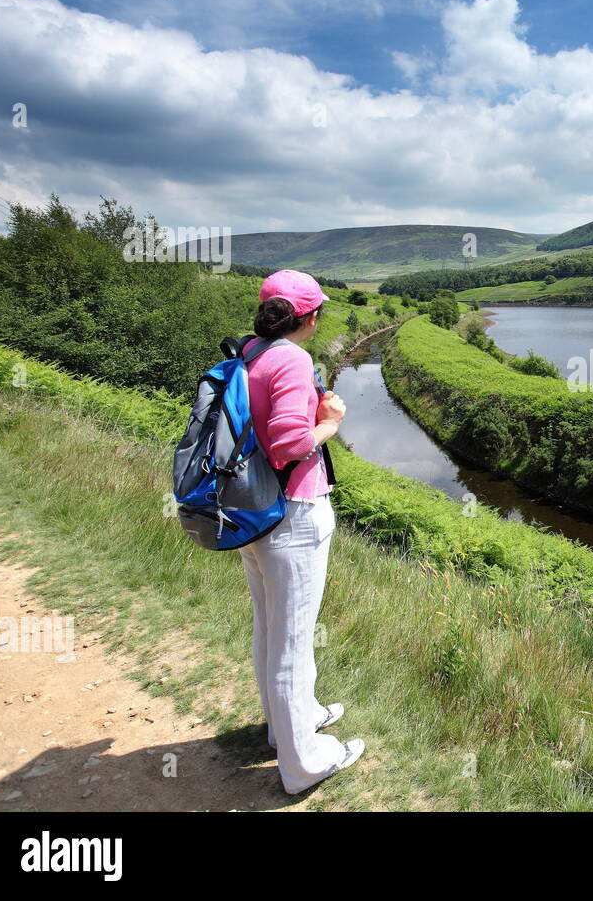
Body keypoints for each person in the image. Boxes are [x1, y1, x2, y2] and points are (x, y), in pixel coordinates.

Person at [240, 270, 364, 795]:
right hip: (292, 512)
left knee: (271, 625)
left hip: (256, 510)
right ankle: (303, 763)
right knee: (293, 640)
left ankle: (288, 723)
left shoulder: (250, 353)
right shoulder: (292, 358)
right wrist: (331, 422)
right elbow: (289, 445)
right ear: (310, 317)